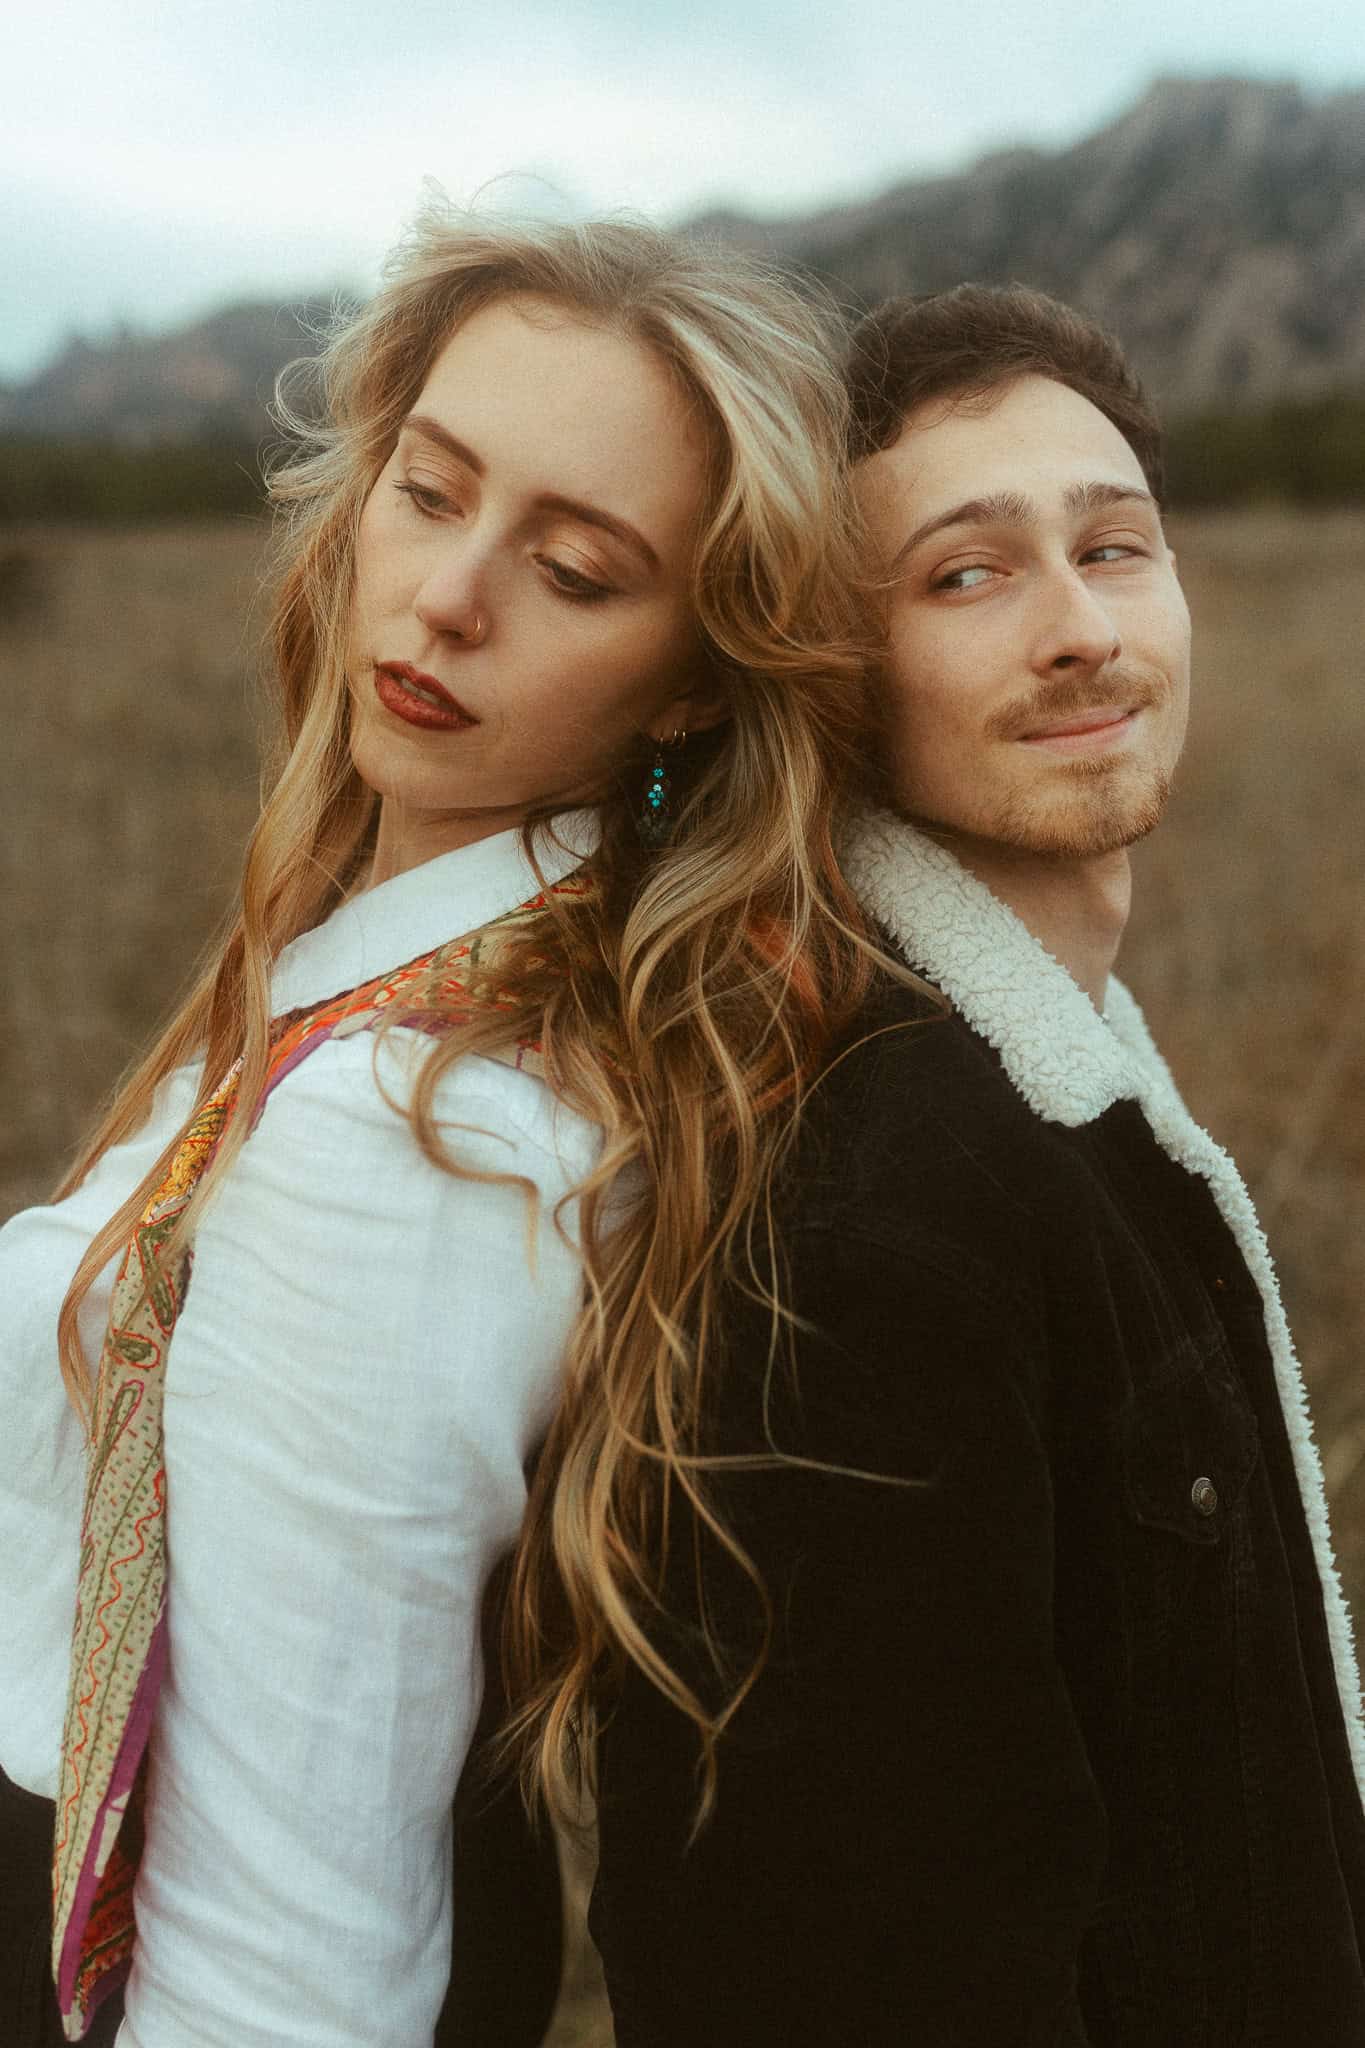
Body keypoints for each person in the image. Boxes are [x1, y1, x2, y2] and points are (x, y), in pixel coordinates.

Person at [0, 206, 881, 2046]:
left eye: (574, 571)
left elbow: (287, 1967)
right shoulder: (375, 974)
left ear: (696, 675)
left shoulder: (419, 1131)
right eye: (428, 491)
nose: (449, 597)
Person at [576, 286, 1365, 2043]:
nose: (1078, 630)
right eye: (964, 574)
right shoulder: (867, 1211)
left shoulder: (1061, 1089)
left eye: (1112, 546)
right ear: (826, 667)